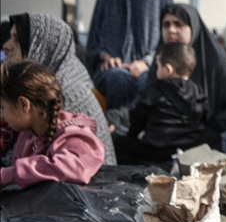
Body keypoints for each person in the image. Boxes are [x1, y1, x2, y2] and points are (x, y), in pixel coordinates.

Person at [3, 13, 117, 165]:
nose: (6, 46)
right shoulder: (46, 86)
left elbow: (54, 167)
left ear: (42, 48)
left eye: (17, 40)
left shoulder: (59, 94)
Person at [145, 4, 226, 149]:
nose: (171, 30)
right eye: (166, 25)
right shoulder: (160, 60)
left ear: (193, 27)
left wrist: (207, 133)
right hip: (163, 142)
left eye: (178, 24)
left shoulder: (214, 60)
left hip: (208, 143)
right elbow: (146, 101)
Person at [86, 0, 173, 109]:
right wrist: (107, 57)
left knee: (147, 81)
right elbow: (94, 40)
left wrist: (147, 62)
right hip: (110, 69)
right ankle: (116, 124)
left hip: (151, 66)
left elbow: (169, 40)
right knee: (118, 78)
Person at [0, 60, 105, 188]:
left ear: (23, 105)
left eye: (2, 107)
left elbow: (74, 169)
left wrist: (7, 175)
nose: (1, 115)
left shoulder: (74, 138)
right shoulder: (28, 134)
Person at [113, 42, 208, 165]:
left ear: (168, 69)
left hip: (157, 151)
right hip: (189, 148)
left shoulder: (155, 91)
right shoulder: (198, 90)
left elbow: (138, 118)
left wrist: (132, 134)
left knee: (119, 144)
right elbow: (205, 116)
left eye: (158, 66)